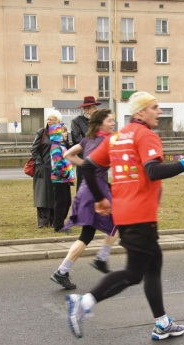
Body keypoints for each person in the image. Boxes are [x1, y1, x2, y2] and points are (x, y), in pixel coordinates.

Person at [65, 91, 184, 340]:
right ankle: (84, 302)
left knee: (153, 265)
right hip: (140, 215)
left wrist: (100, 198)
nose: (159, 112)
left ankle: (162, 323)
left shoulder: (116, 138)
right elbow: (153, 171)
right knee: (134, 273)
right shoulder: (146, 135)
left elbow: (87, 166)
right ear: (141, 112)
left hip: (125, 214)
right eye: (155, 107)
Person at [50, 109, 119, 290]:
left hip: (86, 190)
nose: (113, 124)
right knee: (121, 220)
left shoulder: (87, 139)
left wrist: (85, 164)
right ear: (100, 123)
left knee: (87, 235)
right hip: (98, 191)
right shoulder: (108, 141)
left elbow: (67, 155)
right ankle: (102, 258)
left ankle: (62, 271)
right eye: (110, 121)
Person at [49, 110, 75, 233]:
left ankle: (59, 223)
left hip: (65, 179)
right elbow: (58, 164)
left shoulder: (62, 145)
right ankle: (58, 226)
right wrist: (65, 173)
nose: (65, 134)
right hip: (59, 179)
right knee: (61, 203)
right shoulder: (55, 146)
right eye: (62, 132)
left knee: (67, 202)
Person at [31, 114, 57, 229]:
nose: (49, 121)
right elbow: (34, 149)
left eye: (52, 119)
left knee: (54, 194)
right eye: (48, 119)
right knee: (42, 195)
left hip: (55, 168)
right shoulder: (42, 132)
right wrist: (39, 163)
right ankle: (42, 221)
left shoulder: (59, 134)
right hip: (42, 168)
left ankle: (53, 219)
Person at [70, 96, 101, 192]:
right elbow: (77, 139)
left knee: (99, 187)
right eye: (85, 108)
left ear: (95, 108)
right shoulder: (76, 121)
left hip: (99, 159)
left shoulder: (100, 121)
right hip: (83, 159)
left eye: (89, 107)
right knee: (83, 188)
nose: (86, 110)